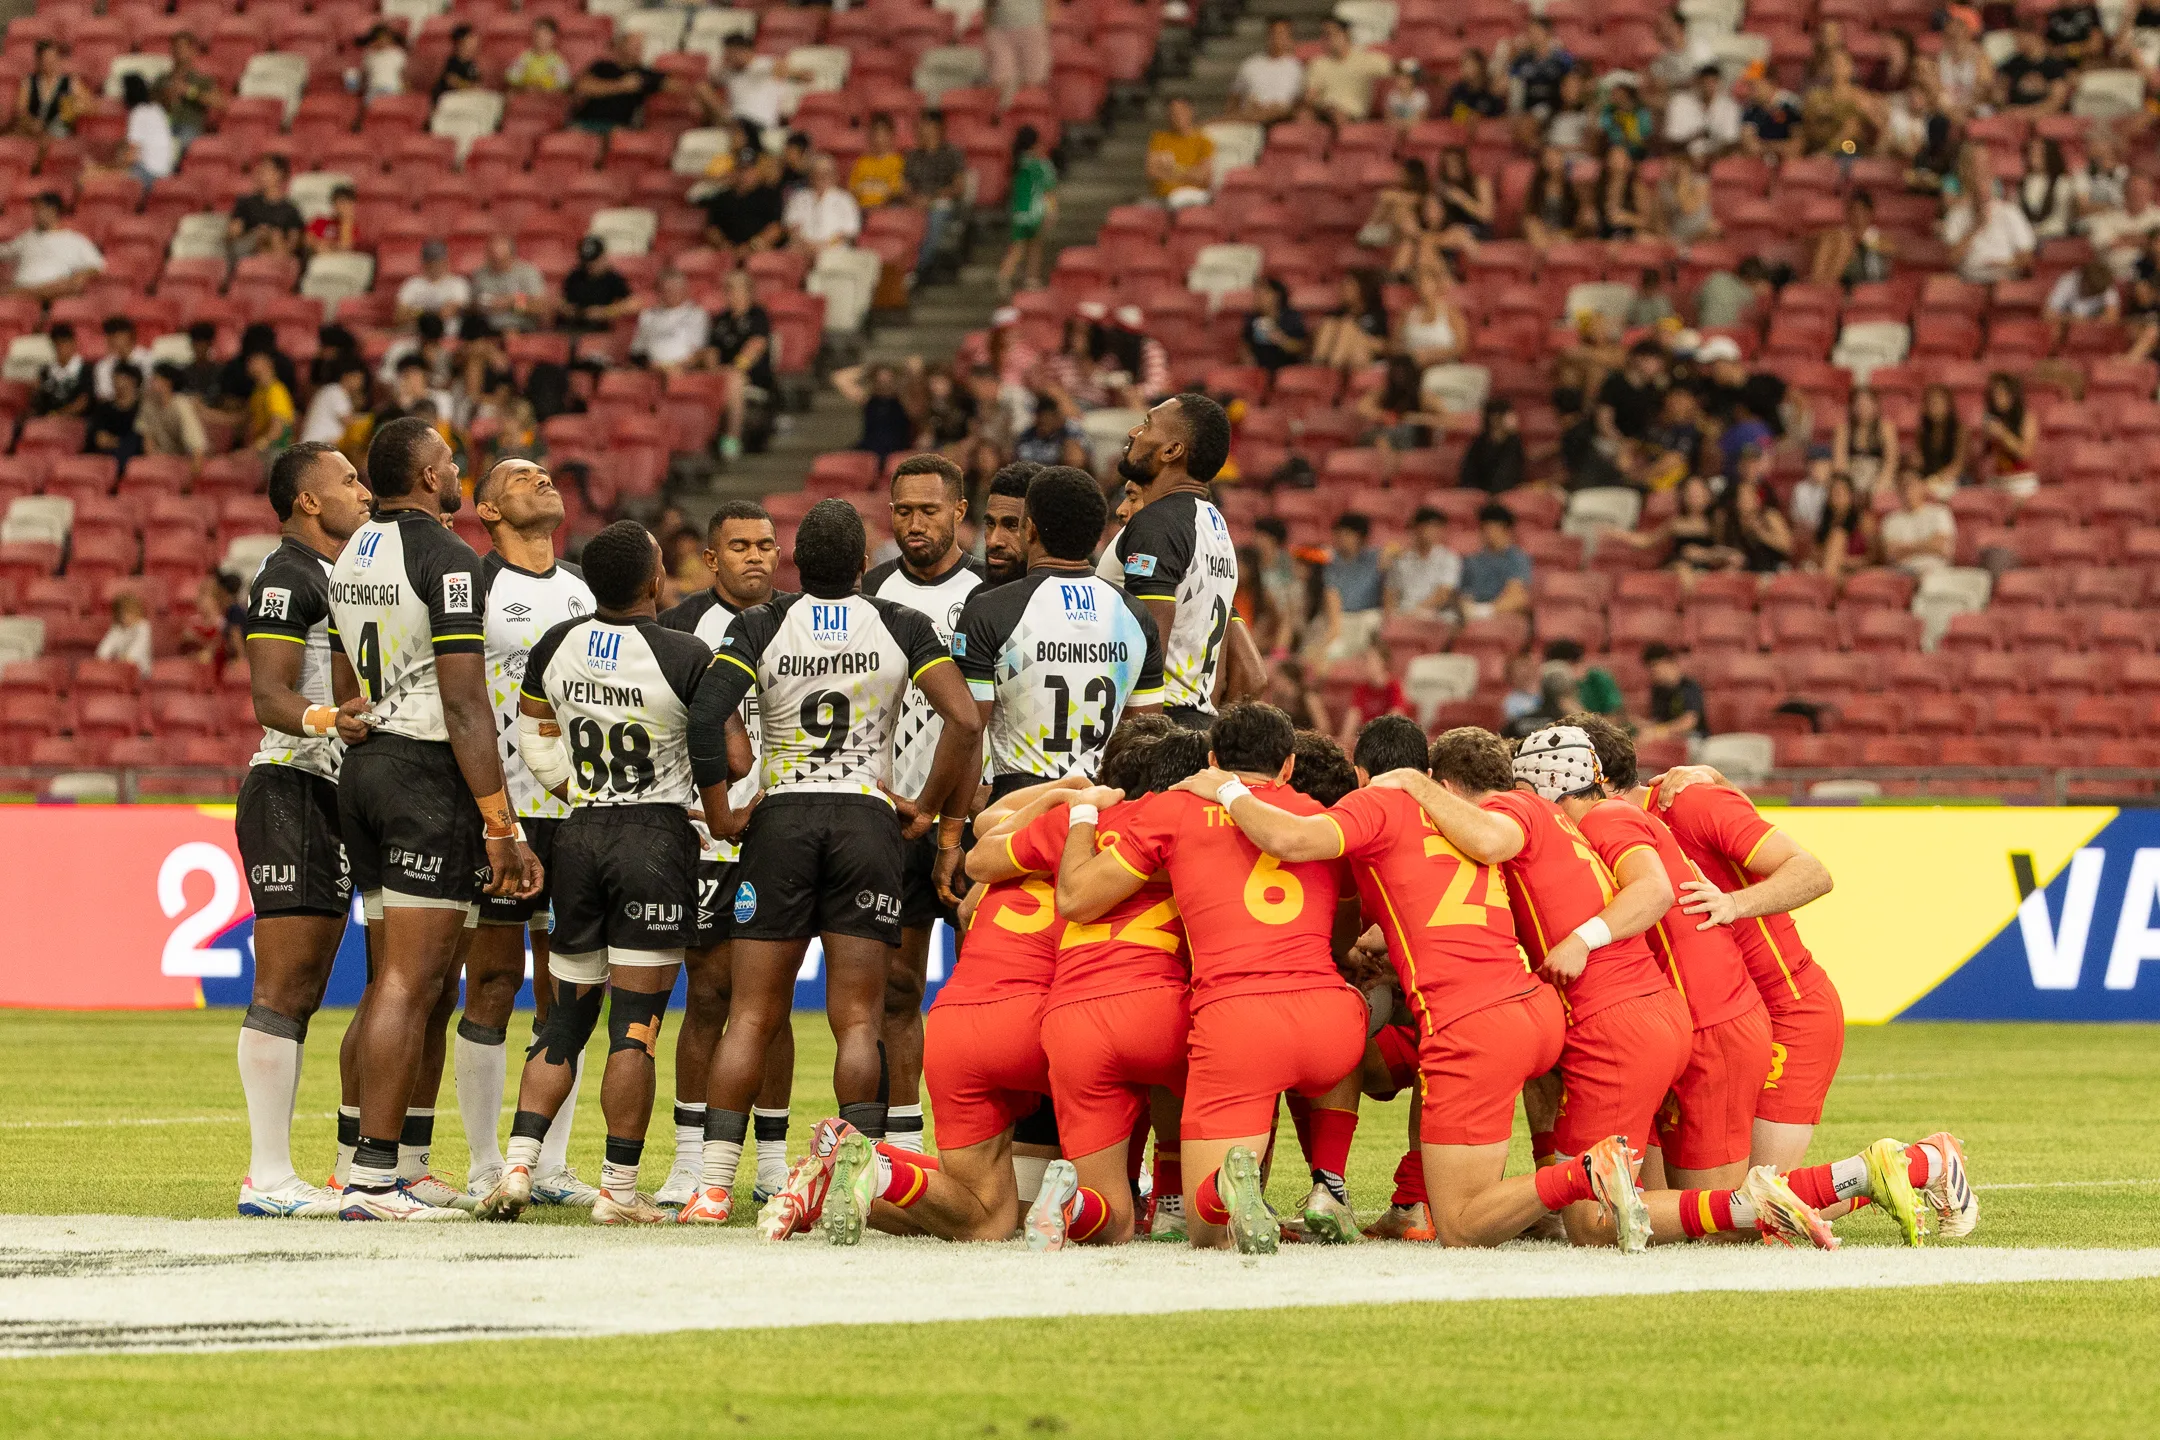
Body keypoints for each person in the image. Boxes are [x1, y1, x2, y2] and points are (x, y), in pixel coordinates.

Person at [676, 499, 982, 1226]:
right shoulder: (901, 624)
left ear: (795, 564)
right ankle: (864, 1183)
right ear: (859, 565)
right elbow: (966, 718)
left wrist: (721, 813)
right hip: (863, 821)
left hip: (781, 817)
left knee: (750, 1014)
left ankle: (713, 1188)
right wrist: (927, 805)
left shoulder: (760, 624)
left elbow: (701, 713)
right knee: (857, 1019)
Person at [1054, 703, 1369, 1251]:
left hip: (1238, 1022)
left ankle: (1222, 1194)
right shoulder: (1319, 815)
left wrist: (1083, 817)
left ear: (1214, 760)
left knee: (1206, 1231)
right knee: (1350, 1002)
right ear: (1289, 766)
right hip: (1330, 1022)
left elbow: (1078, 899)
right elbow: (1345, 928)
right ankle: (1328, 1182)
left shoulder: (1172, 809)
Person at [325, 417, 539, 1220]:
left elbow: (347, 673)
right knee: (413, 984)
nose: (459, 474)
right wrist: (499, 821)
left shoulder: (349, 554)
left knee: (403, 983)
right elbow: (463, 703)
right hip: (422, 773)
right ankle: (373, 1180)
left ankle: (400, 1161)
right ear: (423, 477)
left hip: (368, 765)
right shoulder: (448, 559)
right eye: (449, 464)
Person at [472, 522, 708, 1225]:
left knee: (563, 1021)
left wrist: (568, 789)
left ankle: (517, 1166)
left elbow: (531, 728)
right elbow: (723, 749)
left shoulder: (557, 643)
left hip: (580, 832)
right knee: (634, 1027)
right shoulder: (685, 653)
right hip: (652, 835)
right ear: (655, 579)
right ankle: (619, 1190)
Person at [444, 458, 602, 1212]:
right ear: (487, 510)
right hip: (500, 810)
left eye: (544, 472)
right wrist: (490, 814)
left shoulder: (582, 588)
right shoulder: (475, 585)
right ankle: (482, 1164)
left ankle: (550, 1163)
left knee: (565, 987)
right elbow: (461, 697)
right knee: (495, 980)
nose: (540, 479)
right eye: (519, 476)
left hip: (574, 809)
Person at [232, 441, 374, 1218]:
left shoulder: (336, 578)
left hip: (327, 790)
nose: (362, 490)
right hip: (290, 783)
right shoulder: (288, 576)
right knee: (284, 985)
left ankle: (306, 1173)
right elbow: (269, 695)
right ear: (309, 501)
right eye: (348, 480)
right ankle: (266, 1178)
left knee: (310, 986)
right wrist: (329, 718)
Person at [653, 501, 798, 1209]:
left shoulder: (801, 619)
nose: (755, 557)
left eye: (766, 545)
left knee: (769, 1003)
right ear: (709, 560)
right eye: (738, 546)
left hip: (783, 830)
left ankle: (772, 1162)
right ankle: (688, 1161)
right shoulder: (678, 631)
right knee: (708, 992)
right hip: (706, 833)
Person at [861, 455, 990, 1153]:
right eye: (904, 510)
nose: (915, 523)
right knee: (900, 988)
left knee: (989, 995)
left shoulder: (992, 594)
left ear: (958, 512)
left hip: (974, 821)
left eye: (929, 510)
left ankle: (987, 1143)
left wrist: (960, 816)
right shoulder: (874, 591)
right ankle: (905, 1147)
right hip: (895, 818)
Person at [955, 465, 1163, 803]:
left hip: (1017, 801)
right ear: (1098, 535)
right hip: (1098, 804)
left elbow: (966, 729)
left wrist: (949, 826)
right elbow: (1146, 739)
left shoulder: (989, 609)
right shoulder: (1136, 616)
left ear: (1030, 530)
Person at [1115, 394, 1262, 727]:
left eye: (1148, 424)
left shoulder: (1157, 523)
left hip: (1157, 722)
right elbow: (1253, 675)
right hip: (1196, 720)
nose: (1134, 432)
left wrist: (1135, 747)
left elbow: (1148, 648)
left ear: (1171, 451)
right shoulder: (1215, 525)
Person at [1943, 149, 2035, 285]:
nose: (1982, 186)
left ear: (1993, 182)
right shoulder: (1956, 214)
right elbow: (1951, 259)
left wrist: (2005, 264)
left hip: (2005, 279)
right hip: (1969, 279)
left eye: (1986, 180)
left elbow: (2027, 257)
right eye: (1978, 180)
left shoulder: (2010, 211)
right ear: (1970, 184)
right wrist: (1975, 227)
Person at [709, 270, 774, 460]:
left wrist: (735, 367)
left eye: (736, 290)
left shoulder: (758, 315)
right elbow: (712, 350)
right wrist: (714, 370)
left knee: (734, 380)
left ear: (749, 293)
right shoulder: (722, 319)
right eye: (728, 290)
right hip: (721, 372)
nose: (731, 295)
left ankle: (732, 438)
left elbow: (756, 346)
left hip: (751, 375)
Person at [903, 111, 970, 281]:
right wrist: (913, 200)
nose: (921, 130)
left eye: (925, 125)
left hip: (943, 203)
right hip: (916, 204)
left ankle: (919, 268)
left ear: (937, 128)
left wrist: (931, 198)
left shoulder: (952, 153)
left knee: (936, 217)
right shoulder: (913, 156)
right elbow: (906, 187)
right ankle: (900, 268)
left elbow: (958, 187)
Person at [2, 192, 102, 302]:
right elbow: (5, 251)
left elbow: (96, 265)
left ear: (52, 210)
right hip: (18, 294)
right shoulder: (27, 237)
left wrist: (80, 276)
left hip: (52, 296)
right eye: (35, 209)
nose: (35, 214)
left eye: (39, 209)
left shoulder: (74, 239)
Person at [1000, 125, 1057, 293]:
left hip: (1019, 213)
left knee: (1018, 247)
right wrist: (1051, 213)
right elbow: (1048, 192)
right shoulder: (1041, 166)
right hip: (1035, 213)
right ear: (1035, 145)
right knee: (1035, 246)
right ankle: (1031, 279)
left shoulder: (1017, 164)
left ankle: (1004, 275)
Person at [703, 147, 788, 258]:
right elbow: (712, 228)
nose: (745, 174)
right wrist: (724, 245)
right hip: (726, 251)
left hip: (759, 250)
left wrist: (751, 246)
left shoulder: (770, 195)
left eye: (750, 169)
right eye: (741, 169)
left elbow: (776, 228)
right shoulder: (722, 197)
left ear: (758, 170)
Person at [1306, 17, 1392, 123]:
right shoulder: (1318, 64)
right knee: (1305, 115)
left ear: (1346, 34)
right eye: (1324, 35)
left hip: (1352, 115)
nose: (1328, 39)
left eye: (1332, 34)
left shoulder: (1364, 59)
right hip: (1325, 112)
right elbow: (1311, 96)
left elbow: (1398, 69)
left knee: (1338, 116)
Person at [572, 32, 662, 133]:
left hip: (619, 128)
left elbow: (674, 85)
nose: (638, 50)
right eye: (634, 46)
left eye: (640, 46)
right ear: (621, 46)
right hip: (586, 123)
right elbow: (581, 87)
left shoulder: (645, 73)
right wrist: (622, 85)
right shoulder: (602, 66)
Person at [630, 268, 711, 373]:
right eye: (665, 289)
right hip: (651, 370)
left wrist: (676, 367)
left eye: (675, 289)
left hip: (684, 370)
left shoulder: (697, 314)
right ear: (658, 291)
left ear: (685, 290)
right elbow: (637, 351)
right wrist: (651, 366)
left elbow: (699, 351)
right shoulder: (648, 315)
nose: (670, 293)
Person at [1387, 506, 1460, 618]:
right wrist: (1390, 616)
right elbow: (1391, 592)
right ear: (1416, 529)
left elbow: (1443, 594)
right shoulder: (1400, 558)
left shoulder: (1449, 558)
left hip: (1435, 612)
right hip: (1403, 611)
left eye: (1436, 527)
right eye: (1427, 526)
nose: (1431, 531)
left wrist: (1415, 611)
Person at [467, 236, 550, 334]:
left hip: (519, 326)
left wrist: (511, 303)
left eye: (501, 260)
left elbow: (540, 306)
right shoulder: (480, 274)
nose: (496, 263)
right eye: (492, 259)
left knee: (510, 333)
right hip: (485, 326)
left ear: (512, 256)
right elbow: (471, 306)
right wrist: (482, 305)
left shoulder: (528, 272)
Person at [1311, 269, 1388, 373]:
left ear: (1363, 288)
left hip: (1364, 360)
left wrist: (1357, 336)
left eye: (1349, 285)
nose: (1343, 289)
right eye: (1343, 285)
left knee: (1348, 328)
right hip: (1333, 359)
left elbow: (1383, 346)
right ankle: (1319, 371)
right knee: (1329, 324)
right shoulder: (1334, 315)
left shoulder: (1377, 315)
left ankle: (1332, 374)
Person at [156, 31, 224, 149]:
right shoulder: (162, 79)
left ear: (192, 51)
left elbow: (220, 103)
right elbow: (150, 105)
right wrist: (166, 97)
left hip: (189, 126)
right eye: (175, 47)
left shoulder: (201, 80)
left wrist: (189, 91)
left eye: (182, 47)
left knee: (181, 142)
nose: (178, 51)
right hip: (163, 126)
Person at [1880, 470, 1955, 575]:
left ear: (1922, 486)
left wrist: (1905, 548)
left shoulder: (1940, 512)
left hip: (1936, 571)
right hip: (1902, 573)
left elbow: (1940, 547)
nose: (1907, 490)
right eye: (1903, 486)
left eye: (1911, 485)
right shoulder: (1890, 520)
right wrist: (1928, 545)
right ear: (1897, 490)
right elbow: (1891, 554)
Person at [1460, 504, 1530, 616]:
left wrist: (1485, 611)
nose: (1488, 533)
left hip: (1500, 612)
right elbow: (1464, 594)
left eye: (1493, 528)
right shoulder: (1472, 560)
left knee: (1520, 598)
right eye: (1485, 528)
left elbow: (1516, 594)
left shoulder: (1517, 558)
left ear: (1506, 530)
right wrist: (1467, 608)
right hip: (1472, 611)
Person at [1230, 19, 1305, 124]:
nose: (1277, 38)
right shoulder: (1250, 64)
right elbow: (1234, 99)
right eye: (1274, 33)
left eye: (1282, 34)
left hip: (1281, 119)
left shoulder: (1297, 67)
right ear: (1268, 35)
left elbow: (1300, 103)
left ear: (1289, 37)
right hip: (1249, 118)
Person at [1978, 370, 2039, 498]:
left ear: (2013, 395)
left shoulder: (2027, 418)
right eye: (1994, 393)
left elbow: (2025, 453)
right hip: (1997, 478)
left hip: (2021, 480)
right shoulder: (1992, 419)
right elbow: (1985, 454)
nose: (1997, 397)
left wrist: (2003, 434)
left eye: (2002, 392)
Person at [1145, 97, 1214, 209]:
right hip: (1161, 199)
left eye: (1181, 111)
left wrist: (1170, 169)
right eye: (1172, 112)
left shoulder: (1203, 141)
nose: (1177, 116)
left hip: (1192, 199)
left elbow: (1204, 178)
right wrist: (1190, 172)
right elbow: (1152, 172)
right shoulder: (1159, 139)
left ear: (1191, 111)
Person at [983, 0, 1052, 111]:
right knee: (1003, 82)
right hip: (999, 31)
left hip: (1032, 28)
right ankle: (1006, 119)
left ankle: (1028, 118)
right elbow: (989, 5)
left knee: (1034, 81)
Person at [1395, 262, 1466, 367]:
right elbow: (1395, 345)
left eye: (1425, 281)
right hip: (1412, 369)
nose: (1420, 286)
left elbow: (1461, 346)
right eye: (1417, 281)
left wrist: (1432, 356)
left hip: (1443, 368)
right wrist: (1411, 356)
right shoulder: (1406, 313)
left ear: (1436, 284)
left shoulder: (1451, 313)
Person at [138, 361, 209, 464]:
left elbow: (197, 446)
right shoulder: (148, 406)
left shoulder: (181, 405)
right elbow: (148, 442)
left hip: (183, 461)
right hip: (160, 461)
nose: (150, 382)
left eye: (155, 379)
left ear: (167, 382)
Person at [1666, 65, 1741, 159]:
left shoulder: (1730, 106)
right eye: (1705, 83)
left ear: (1720, 84)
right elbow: (1671, 142)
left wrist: (1711, 157)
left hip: (1718, 159)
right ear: (1697, 83)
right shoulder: (1679, 102)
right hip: (1685, 159)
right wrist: (1695, 137)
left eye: (1713, 83)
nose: (1708, 87)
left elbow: (1731, 142)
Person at [560, 237, 634, 331]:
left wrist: (605, 312)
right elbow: (561, 298)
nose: (590, 266)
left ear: (603, 257)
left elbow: (632, 303)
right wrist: (566, 308)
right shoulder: (575, 275)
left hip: (598, 329)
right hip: (570, 325)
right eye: (587, 261)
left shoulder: (613, 278)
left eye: (594, 261)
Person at [395, 241, 471, 331]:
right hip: (416, 336)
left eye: (439, 261)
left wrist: (416, 312)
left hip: (447, 336)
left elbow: (449, 311)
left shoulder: (458, 283)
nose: (435, 266)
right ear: (424, 264)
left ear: (446, 262)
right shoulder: (412, 284)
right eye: (430, 262)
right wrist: (430, 314)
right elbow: (399, 316)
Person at [14, 40, 82, 139]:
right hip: (33, 133)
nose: (50, 63)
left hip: (59, 134)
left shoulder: (70, 82)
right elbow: (21, 111)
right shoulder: (29, 81)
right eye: (46, 59)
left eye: (53, 58)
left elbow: (88, 105)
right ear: (39, 60)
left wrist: (74, 108)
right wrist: (31, 123)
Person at [1638, 644, 1706, 741]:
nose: (1652, 672)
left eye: (1655, 666)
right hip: (1669, 738)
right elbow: (1658, 721)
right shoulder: (1657, 690)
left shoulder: (1689, 686)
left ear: (1669, 662)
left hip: (1694, 738)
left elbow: (1689, 722)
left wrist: (1660, 731)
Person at [1242, 277, 1308, 373]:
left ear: (1276, 295)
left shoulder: (1291, 317)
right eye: (1257, 293)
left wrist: (1280, 339)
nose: (1259, 297)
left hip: (1286, 369)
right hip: (1259, 369)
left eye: (1264, 293)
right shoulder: (1252, 317)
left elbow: (1301, 348)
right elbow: (1245, 343)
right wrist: (1247, 358)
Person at [85, 363, 143, 467]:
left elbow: (139, 438)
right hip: (103, 456)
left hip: (132, 458)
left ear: (133, 381)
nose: (117, 382)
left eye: (122, 378)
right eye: (114, 378)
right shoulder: (104, 408)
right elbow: (98, 437)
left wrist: (118, 442)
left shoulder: (143, 408)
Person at [848, 113, 908, 211]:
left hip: (886, 212)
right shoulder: (861, 162)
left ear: (891, 136)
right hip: (861, 211)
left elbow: (895, 193)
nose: (879, 138)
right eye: (876, 133)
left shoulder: (899, 162)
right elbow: (852, 190)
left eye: (883, 133)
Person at [506, 17, 572, 92]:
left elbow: (564, 83)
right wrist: (525, 87)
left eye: (546, 35)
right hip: (527, 95)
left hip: (548, 98)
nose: (541, 39)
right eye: (538, 36)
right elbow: (512, 77)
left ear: (553, 38)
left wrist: (547, 89)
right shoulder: (525, 57)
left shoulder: (557, 61)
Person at [96, 591, 154, 676]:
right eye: (122, 613)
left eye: (129, 612)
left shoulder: (144, 626)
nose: (125, 616)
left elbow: (134, 655)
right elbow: (103, 651)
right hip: (120, 671)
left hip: (141, 674)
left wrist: (119, 663)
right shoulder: (116, 628)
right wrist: (104, 660)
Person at [435, 23, 484, 101]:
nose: (475, 41)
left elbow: (477, 83)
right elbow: (452, 81)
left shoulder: (472, 64)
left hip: (467, 98)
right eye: (470, 38)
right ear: (460, 42)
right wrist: (470, 87)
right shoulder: (453, 62)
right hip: (450, 99)